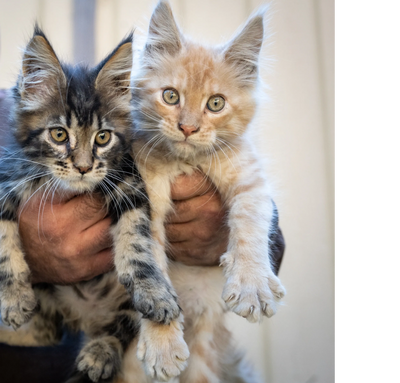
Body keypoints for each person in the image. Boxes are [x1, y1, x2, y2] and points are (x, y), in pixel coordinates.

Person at [0, 93, 285, 382]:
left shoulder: (98, 112)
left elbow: (270, 237)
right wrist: (24, 260)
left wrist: (232, 234)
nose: (188, 124)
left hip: (130, 326)